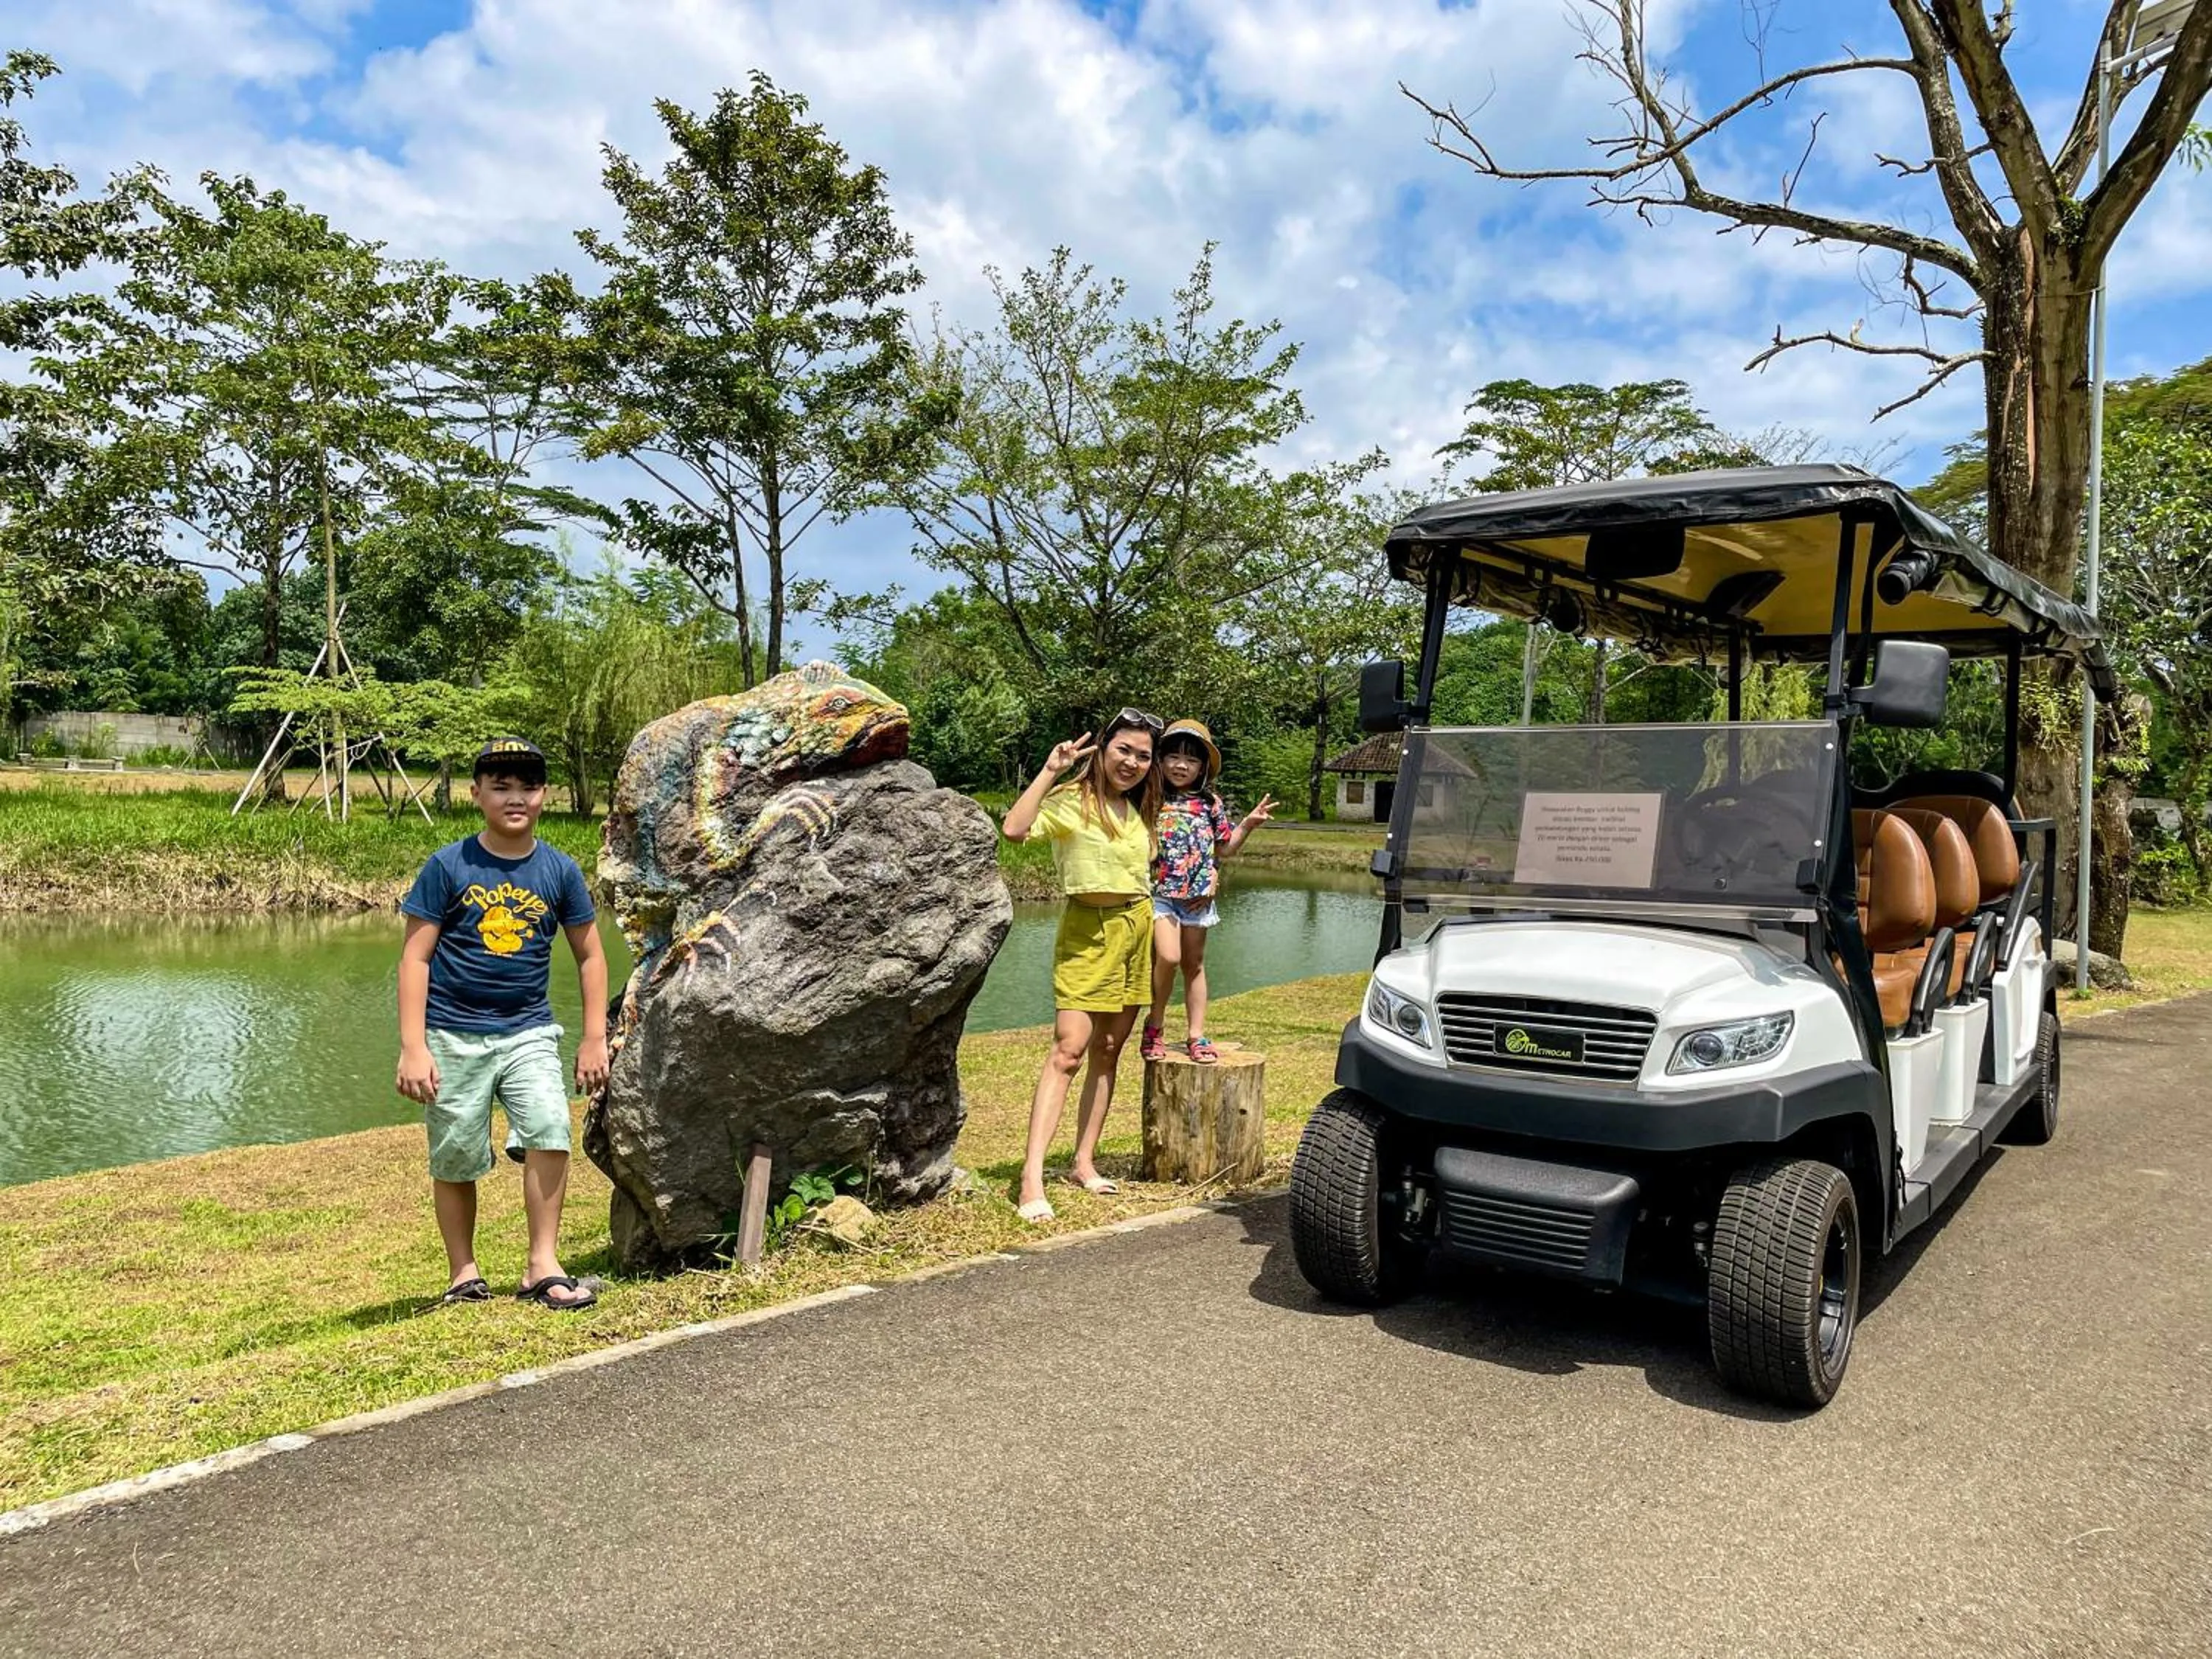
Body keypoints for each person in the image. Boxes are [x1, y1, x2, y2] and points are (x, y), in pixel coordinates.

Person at [396, 737, 610, 1309]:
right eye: (501, 786)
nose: (516, 797)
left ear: (544, 796)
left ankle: (541, 1266)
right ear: (477, 794)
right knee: (456, 1156)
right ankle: (463, 1273)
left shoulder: (559, 870)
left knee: (548, 1126)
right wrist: (413, 1046)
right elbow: (415, 958)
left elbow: (591, 955)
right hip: (451, 1033)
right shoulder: (448, 866)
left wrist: (594, 1036)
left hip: (529, 1030)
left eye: (528, 786)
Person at [1000, 709, 1163, 1222]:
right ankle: (1031, 1178)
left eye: (1143, 755)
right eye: (1124, 751)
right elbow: (1015, 829)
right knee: (1068, 1050)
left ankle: (1083, 1162)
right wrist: (1052, 770)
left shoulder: (1140, 810)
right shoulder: (1072, 800)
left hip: (1137, 927)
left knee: (1110, 1051)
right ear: (1104, 749)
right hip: (1087, 932)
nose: (1132, 762)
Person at [1141, 720, 1272, 1065]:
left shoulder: (1210, 803)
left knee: (1194, 965)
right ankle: (1154, 1025)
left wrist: (1248, 824)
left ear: (1203, 767)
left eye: (1191, 760)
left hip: (1197, 899)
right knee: (1167, 958)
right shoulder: (1150, 797)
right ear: (1160, 759)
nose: (1181, 765)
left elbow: (1224, 849)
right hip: (1161, 895)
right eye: (1172, 756)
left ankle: (1196, 1034)